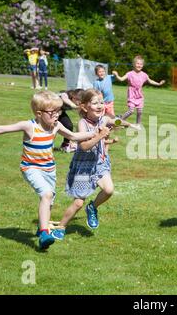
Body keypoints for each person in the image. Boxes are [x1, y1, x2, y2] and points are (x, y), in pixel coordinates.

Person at [0, 91, 98, 250]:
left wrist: (94, 133)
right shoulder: (29, 126)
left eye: (59, 111)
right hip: (31, 168)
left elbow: (73, 136)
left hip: (49, 169)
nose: (57, 115)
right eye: (53, 112)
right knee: (46, 194)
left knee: (49, 200)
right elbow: (1, 129)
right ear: (39, 113)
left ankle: (40, 228)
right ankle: (45, 233)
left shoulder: (56, 125)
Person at [51, 89, 115, 240]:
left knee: (109, 190)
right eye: (95, 103)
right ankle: (61, 227)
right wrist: (100, 136)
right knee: (78, 202)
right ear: (85, 107)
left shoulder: (103, 119)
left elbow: (115, 121)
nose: (100, 105)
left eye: (101, 102)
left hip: (99, 163)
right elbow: (84, 146)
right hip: (83, 168)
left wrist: (128, 124)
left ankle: (92, 207)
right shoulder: (83, 123)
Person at [112, 55, 165, 128]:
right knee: (131, 111)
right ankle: (119, 121)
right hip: (132, 95)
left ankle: (138, 124)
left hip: (139, 96)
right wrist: (116, 75)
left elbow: (150, 81)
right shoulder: (130, 73)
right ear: (134, 64)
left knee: (140, 111)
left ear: (143, 65)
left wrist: (158, 83)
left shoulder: (144, 75)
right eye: (137, 63)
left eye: (141, 64)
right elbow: (121, 79)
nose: (139, 65)